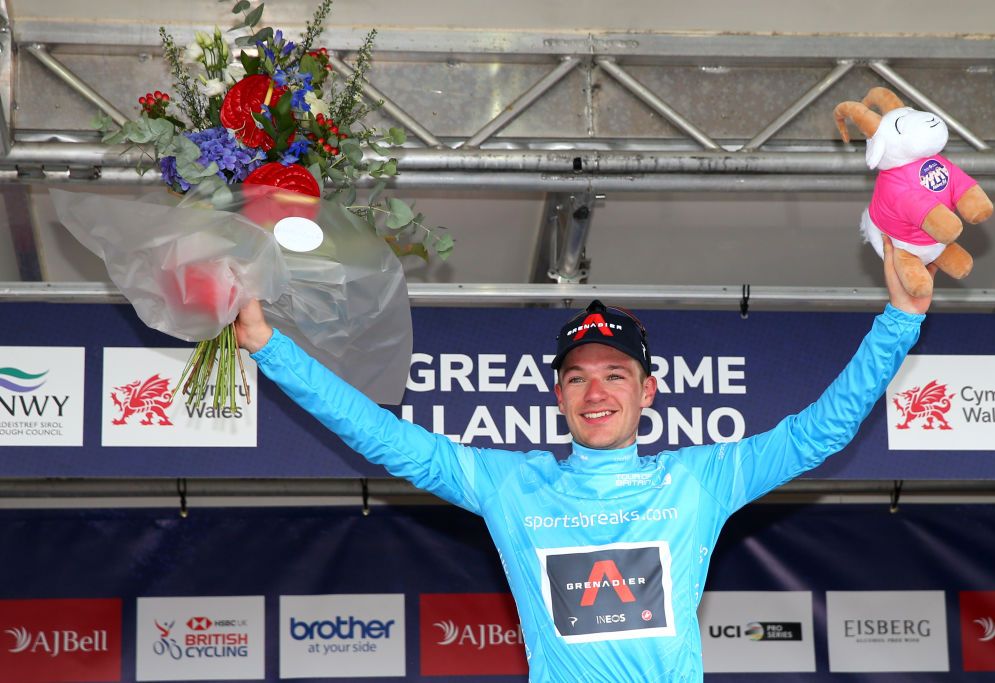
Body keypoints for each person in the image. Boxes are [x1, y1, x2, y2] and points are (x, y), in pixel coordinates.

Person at [234, 236, 934, 682]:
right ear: (559, 395)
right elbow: (381, 435)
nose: (595, 391)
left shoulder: (699, 479)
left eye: (614, 374)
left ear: (647, 390)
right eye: (577, 377)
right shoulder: (510, 484)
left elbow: (820, 432)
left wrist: (900, 319)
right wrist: (269, 345)